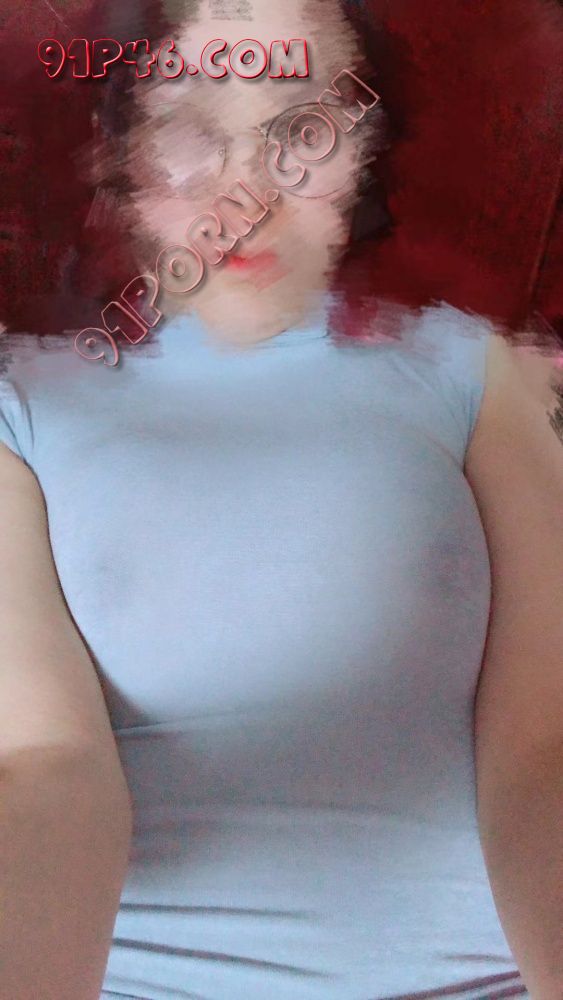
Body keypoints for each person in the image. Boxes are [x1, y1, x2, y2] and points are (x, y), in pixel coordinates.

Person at [0, 1, 562, 998]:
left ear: (365, 151)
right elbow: (43, 758)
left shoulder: (472, 367)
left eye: (303, 130)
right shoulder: (25, 400)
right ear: (116, 155)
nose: (248, 193)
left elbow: (544, 740)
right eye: (188, 132)